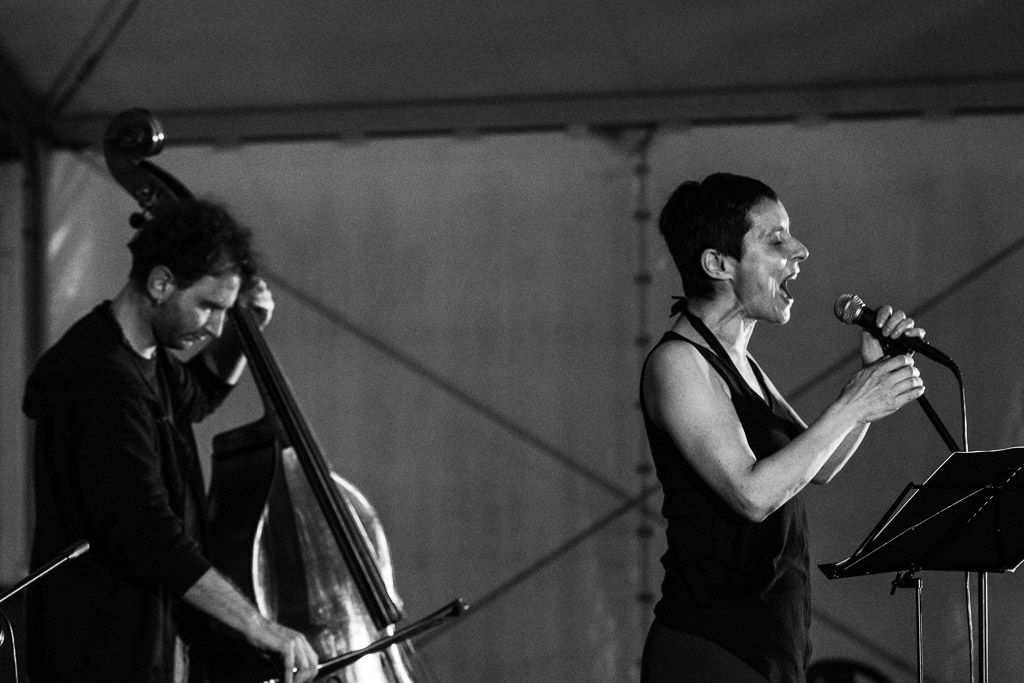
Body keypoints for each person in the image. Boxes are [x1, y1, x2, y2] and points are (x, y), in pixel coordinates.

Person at [639, 173, 926, 683]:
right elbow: (752, 494)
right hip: (712, 648)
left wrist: (868, 381)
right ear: (718, 264)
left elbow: (819, 466)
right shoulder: (679, 363)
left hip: (770, 646)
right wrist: (854, 404)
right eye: (776, 241)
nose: (800, 251)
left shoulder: (739, 360)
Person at [23, 198, 319, 683]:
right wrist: (257, 625)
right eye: (208, 307)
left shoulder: (145, 359)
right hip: (104, 654)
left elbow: (194, 396)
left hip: (146, 644)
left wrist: (243, 337)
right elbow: (145, 529)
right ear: (161, 283)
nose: (216, 328)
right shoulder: (101, 381)